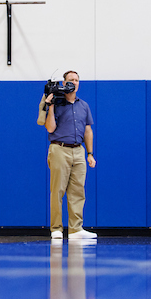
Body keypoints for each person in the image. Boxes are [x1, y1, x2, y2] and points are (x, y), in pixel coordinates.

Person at [37, 71, 97, 241]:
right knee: (58, 190)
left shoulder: (83, 105)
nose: (74, 82)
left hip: (78, 150)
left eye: (76, 80)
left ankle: (75, 229)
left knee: (78, 191)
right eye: (71, 80)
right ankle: (56, 228)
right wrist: (50, 107)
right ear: (64, 83)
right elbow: (49, 128)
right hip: (59, 149)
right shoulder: (56, 102)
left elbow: (88, 130)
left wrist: (90, 153)